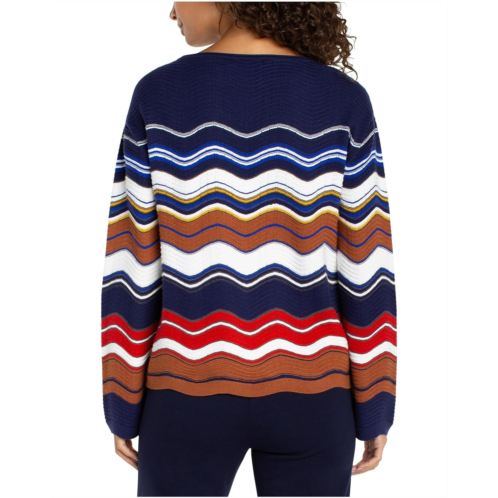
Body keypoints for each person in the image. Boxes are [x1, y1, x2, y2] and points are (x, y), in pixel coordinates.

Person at [101, 2, 397, 496]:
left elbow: (133, 266)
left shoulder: (159, 94)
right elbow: (366, 268)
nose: (171, 9)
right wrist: (375, 406)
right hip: (314, 394)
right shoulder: (343, 100)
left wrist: (122, 400)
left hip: (185, 391)